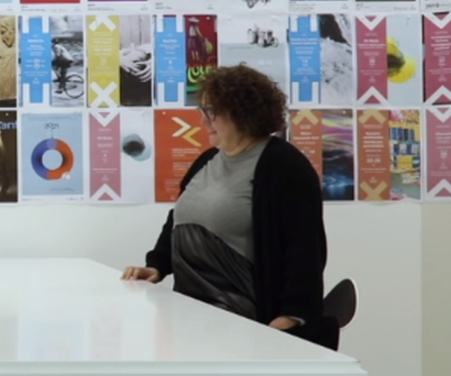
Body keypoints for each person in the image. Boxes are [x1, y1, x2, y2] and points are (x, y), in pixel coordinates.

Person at [121, 64, 338, 350]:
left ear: (242, 113)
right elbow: (180, 217)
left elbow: (305, 247)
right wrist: (157, 266)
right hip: (192, 317)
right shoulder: (208, 160)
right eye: (203, 110)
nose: (203, 121)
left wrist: (291, 316)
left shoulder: (284, 166)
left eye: (212, 112)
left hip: (248, 324)